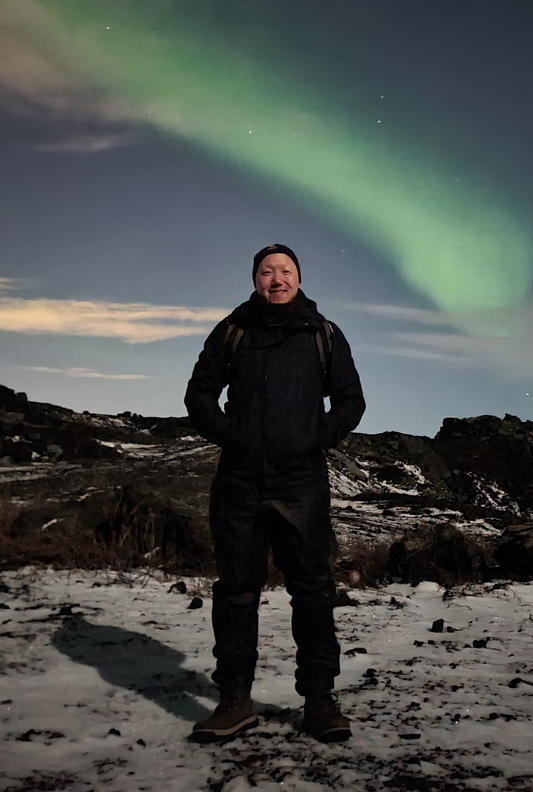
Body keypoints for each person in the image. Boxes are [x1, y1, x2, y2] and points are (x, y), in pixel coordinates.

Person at [184, 244, 365, 743]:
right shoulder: (232, 330)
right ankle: (234, 699)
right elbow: (198, 394)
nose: (276, 279)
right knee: (237, 593)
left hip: (300, 483)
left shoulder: (322, 334)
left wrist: (316, 437)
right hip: (239, 482)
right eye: (267, 271)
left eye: (285, 271)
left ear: (299, 280)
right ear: (256, 280)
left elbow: (352, 400)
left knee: (312, 591)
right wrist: (231, 435)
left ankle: (320, 700)